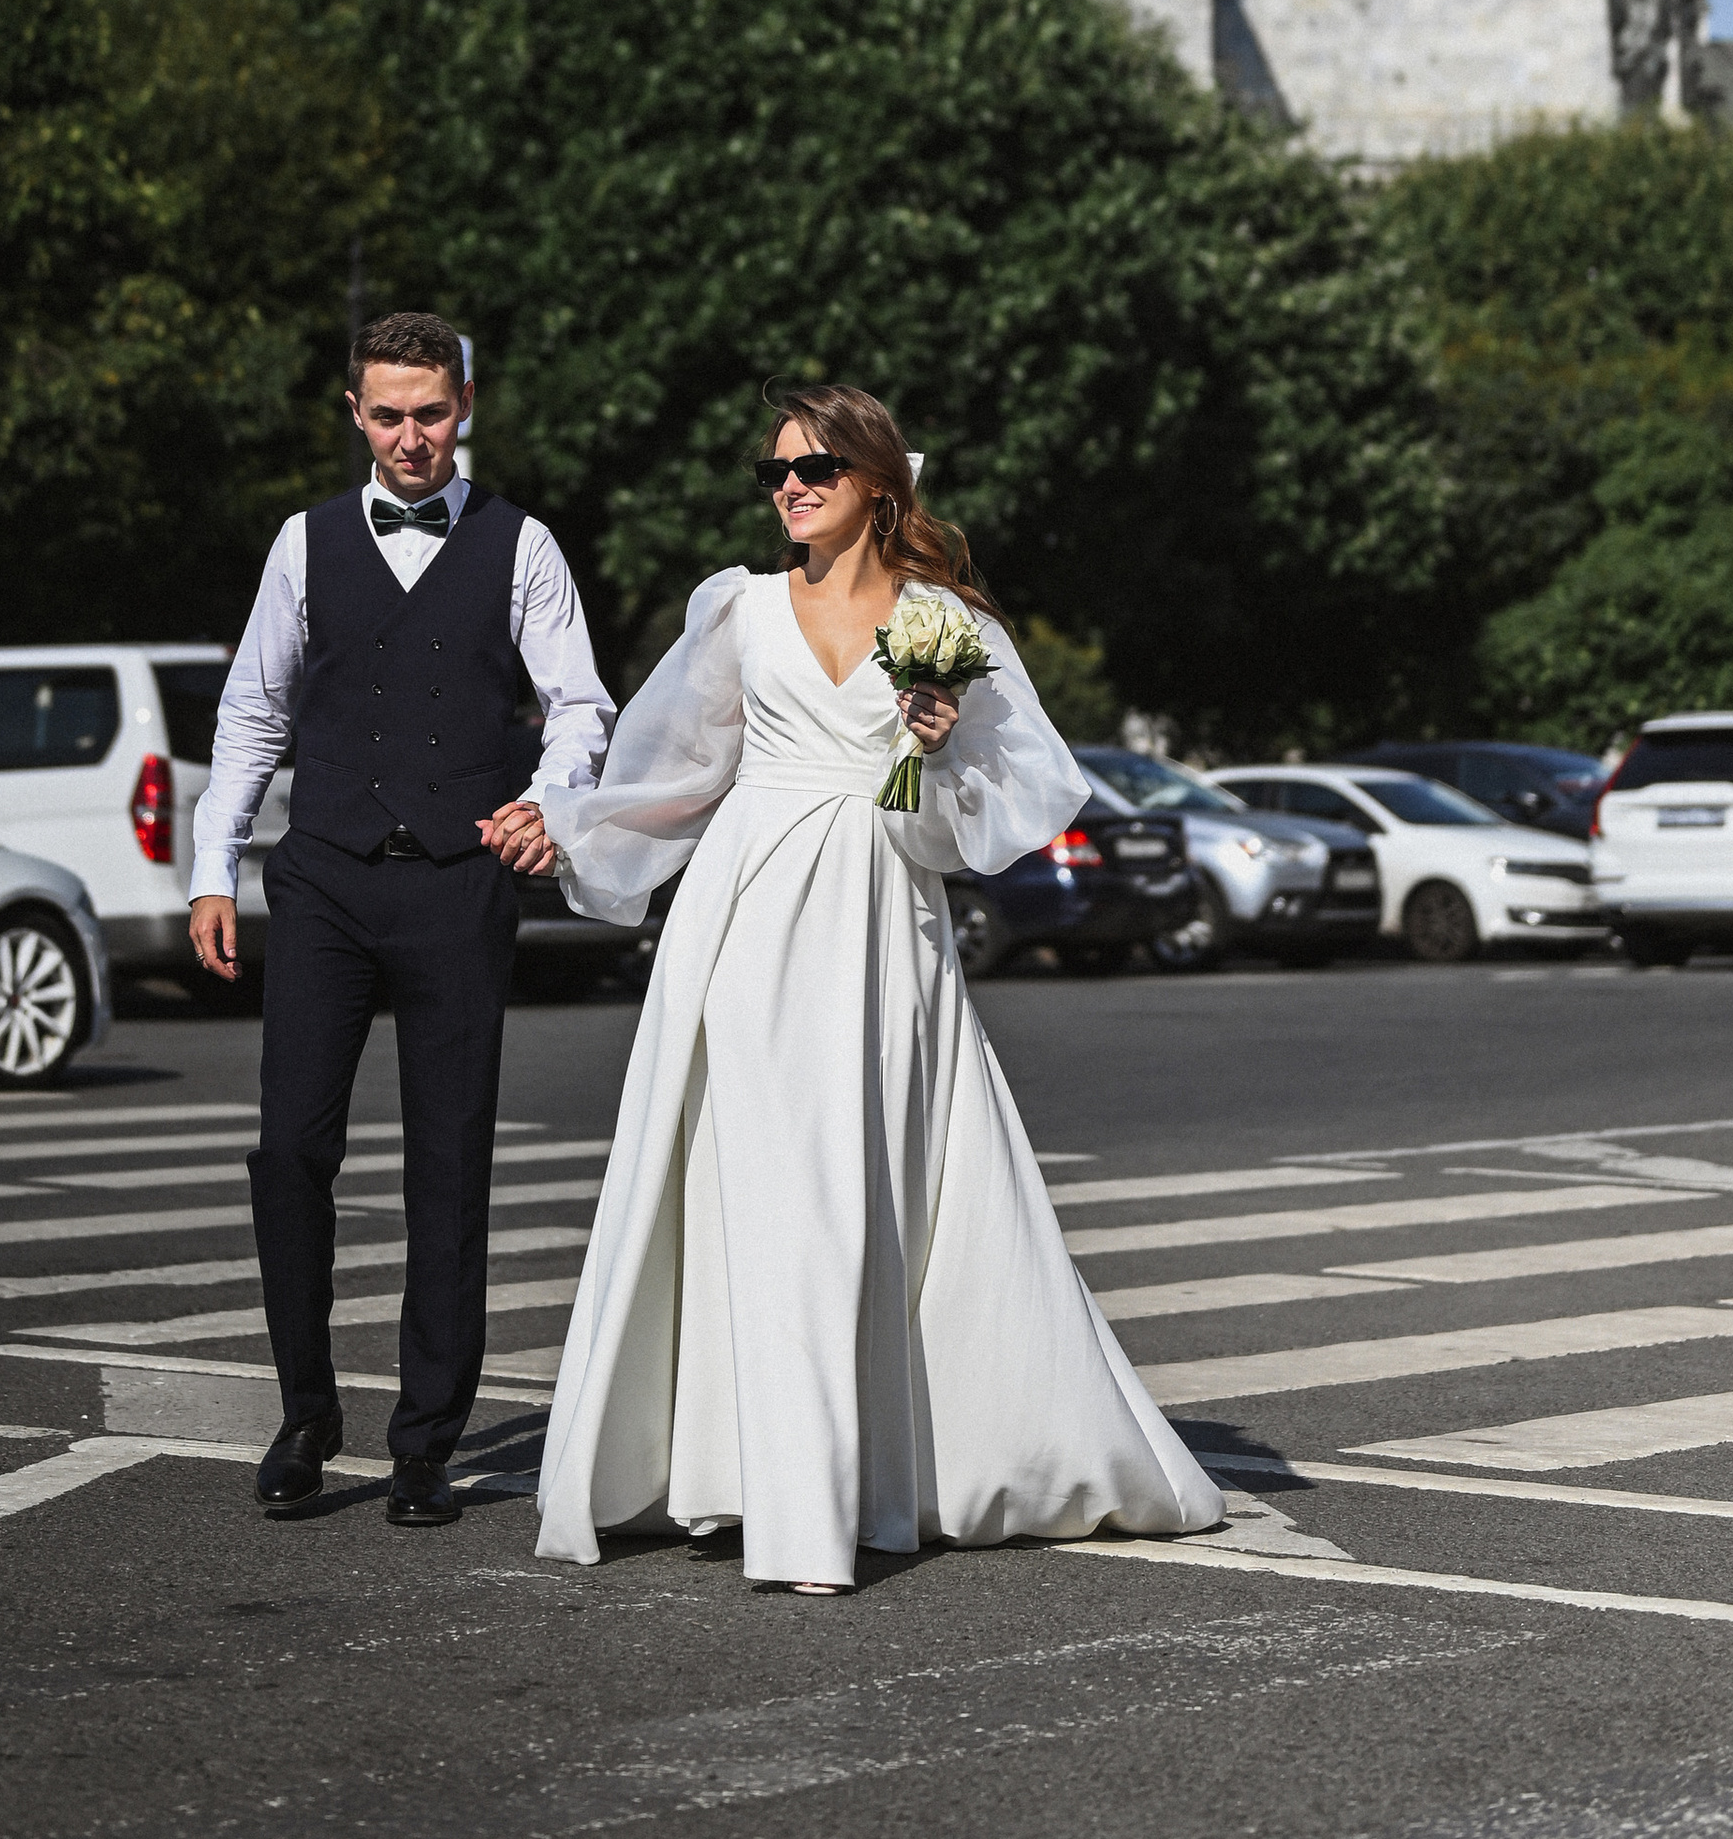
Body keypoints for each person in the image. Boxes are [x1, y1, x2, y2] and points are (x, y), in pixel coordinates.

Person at [493, 382, 1224, 1591]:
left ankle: (846, 1480)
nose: (789, 487)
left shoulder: (941, 620)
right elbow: (678, 776)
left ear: (879, 483)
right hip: (746, 915)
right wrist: (563, 821)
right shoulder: (736, 609)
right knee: (758, 1190)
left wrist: (935, 745)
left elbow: (986, 816)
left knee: (857, 1189)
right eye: (776, 470)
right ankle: (751, 1477)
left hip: (880, 922)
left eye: (815, 468)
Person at [191, 309, 612, 1525]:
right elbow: (253, 713)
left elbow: (579, 706)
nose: (411, 437)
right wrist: (213, 867)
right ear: (354, 415)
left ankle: (426, 1440)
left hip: (457, 878)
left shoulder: (521, 544)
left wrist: (547, 801)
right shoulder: (303, 542)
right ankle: (305, 1412)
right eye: (388, 415)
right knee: (291, 1151)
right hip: (321, 875)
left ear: (464, 405)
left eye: (430, 412)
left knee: (449, 1161)